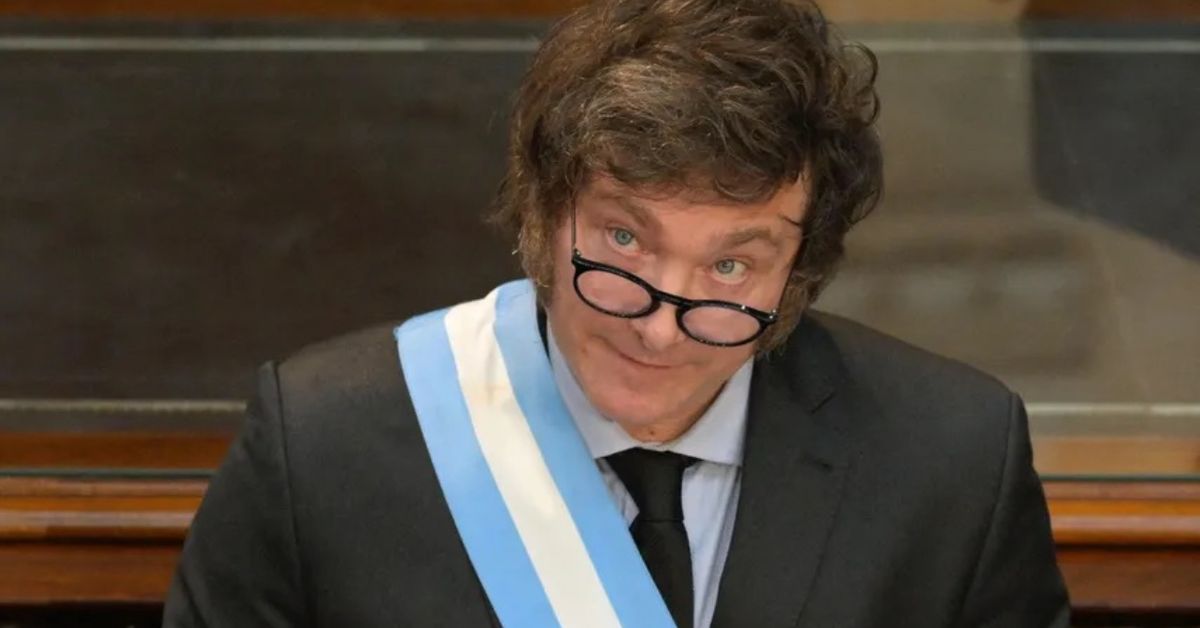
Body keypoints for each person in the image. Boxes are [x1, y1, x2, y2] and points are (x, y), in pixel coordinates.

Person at [163, 0, 1070, 626]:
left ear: (799, 273)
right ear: (544, 211)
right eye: (625, 241)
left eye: (730, 265)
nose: (660, 327)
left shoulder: (951, 463)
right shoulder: (319, 447)